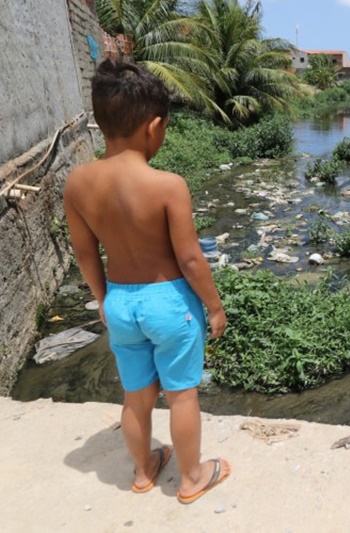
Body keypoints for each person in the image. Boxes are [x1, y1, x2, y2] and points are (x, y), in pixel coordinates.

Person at [64, 59, 231, 504]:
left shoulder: (77, 183)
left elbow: (85, 254)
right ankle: (193, 477)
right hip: (169, 304)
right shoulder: (168, 185)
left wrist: (103, 299)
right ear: (154, 126)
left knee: (136, 396)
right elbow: (191, 259)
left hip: (119, 303)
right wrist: (214, 307)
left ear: (101, 122)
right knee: (181, 395)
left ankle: (143, 471)